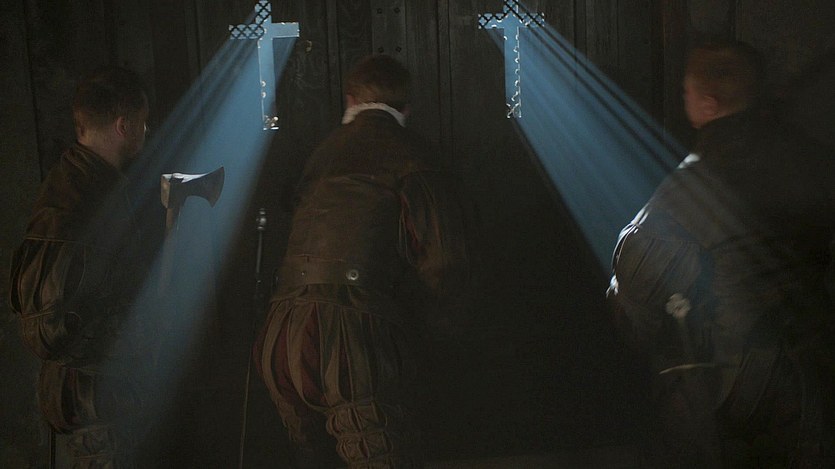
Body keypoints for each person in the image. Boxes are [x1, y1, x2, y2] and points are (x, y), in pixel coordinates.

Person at [608, 41, 835, 467]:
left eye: (687, 92)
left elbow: (636, 290)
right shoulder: (812, 160)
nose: (685, 99)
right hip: (819, 376)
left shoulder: (695, 185)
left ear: (708, 104)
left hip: (738, 393)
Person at [253, 54, 470, 468]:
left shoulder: (322, 153)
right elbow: (444, 262)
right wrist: (436, 332)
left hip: (281, 335)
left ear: (350, 100)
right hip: (349, 341)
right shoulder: (414, 155)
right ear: (406, 107)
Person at [9, 66, 152, 468]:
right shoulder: (86, 198)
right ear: (123, 126)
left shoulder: (79, 181)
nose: (147, 131)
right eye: (143, 122)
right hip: (96, 399)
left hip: (92, 395)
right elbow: (52, 321)